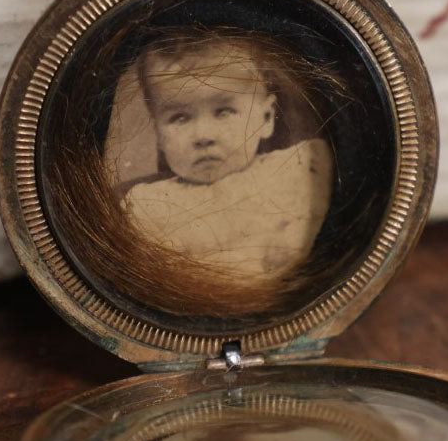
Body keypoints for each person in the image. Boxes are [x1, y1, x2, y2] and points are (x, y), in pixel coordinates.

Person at [122, 33, 332, 280]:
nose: (203, 135)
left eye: (224, 112)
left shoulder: (294, 172)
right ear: (158, 133)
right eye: (179, 117)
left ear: (265, 118)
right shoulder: (149, 206)